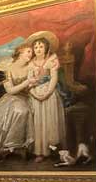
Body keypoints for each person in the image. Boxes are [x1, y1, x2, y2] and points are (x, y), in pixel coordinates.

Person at [26, 32, 67, 162]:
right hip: (35, 94)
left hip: (49, 93)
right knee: (38, 122)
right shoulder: (31, 63)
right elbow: (29, 81)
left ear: (46, 48)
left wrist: (47, 93)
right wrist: (35, 94)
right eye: (36, 47)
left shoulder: (52, 60)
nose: (38, 49)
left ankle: (52, 149)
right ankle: (39, 151)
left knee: (49, 120)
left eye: (41, 47)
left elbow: (54, 78)